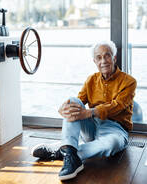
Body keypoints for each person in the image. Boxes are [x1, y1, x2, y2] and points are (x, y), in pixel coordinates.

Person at [31, 41, 137, 181]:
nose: (103, 61)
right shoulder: (91, 80)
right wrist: (63, 108)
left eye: (107, 56)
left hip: (116, 129)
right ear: (94, 61)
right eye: (99, 57)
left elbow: (117, 106)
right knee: (72, 101)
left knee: (110, 144)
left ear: (114, 58)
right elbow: (78, 100)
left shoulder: (129, 81)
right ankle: (70, 151)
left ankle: (66, 152)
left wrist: (89, 112)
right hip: (91, 127)